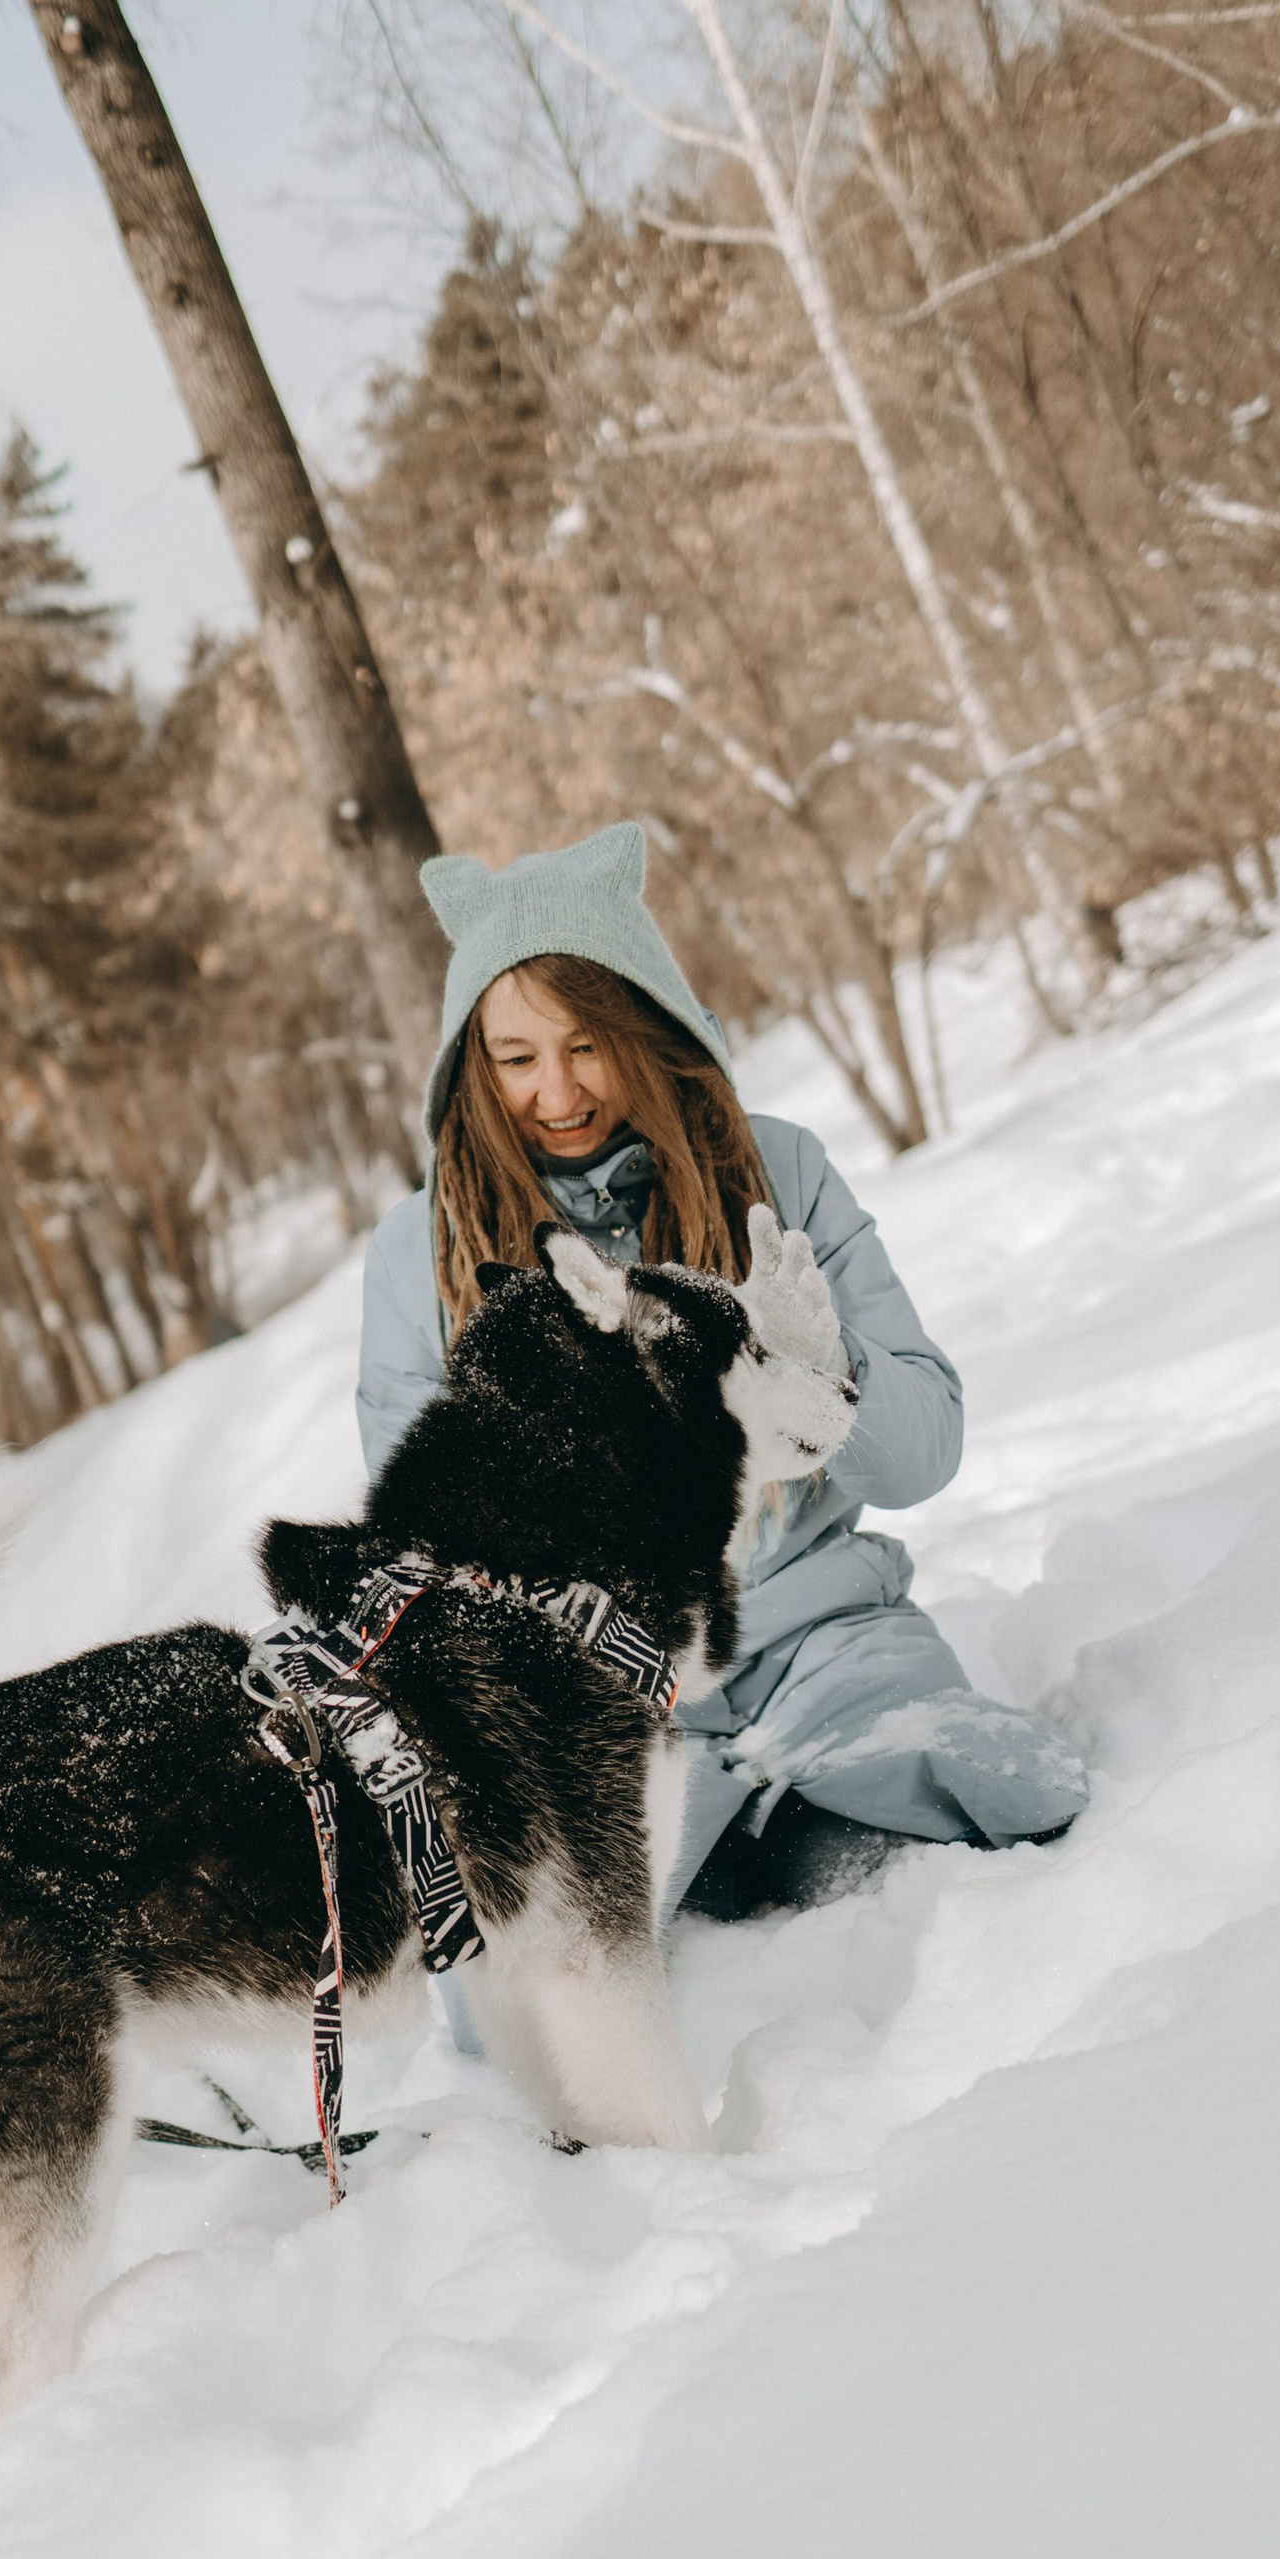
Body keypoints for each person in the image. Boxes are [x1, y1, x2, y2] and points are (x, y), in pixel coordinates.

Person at [356, 818, 1087, 1920]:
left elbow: (923, 1453)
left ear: (645, 1028)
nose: (555, 1093)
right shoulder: (421, 1258)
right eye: (515, 1058)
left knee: (936, 1852)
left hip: (826, 1650)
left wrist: (818, 1365)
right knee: (564, 1952)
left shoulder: (777, 1169)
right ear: (471, 1067)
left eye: (586, 1044)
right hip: (600, 1710)